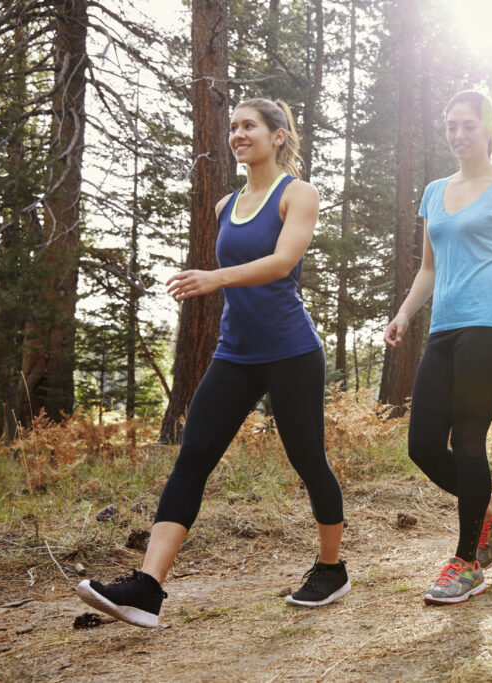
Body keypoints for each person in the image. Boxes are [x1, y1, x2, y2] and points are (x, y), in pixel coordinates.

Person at [76, 98, 348, 627]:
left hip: (292, 351)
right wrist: (214, 281)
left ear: (278, 136)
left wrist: (215, 278)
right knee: (192, 458)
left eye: (249, 126)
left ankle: (331, 568)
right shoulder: (226, 205)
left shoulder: (298, 194)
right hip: (235, 354)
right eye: (233, 127)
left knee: (307, 459)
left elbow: (283, 261)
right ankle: (148, 587)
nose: (238, 134)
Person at [383, 90, 492, 605]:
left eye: (467, 125)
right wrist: (404, 312)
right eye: (450, 125)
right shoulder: (435, 191)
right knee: (421, 445)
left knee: (468, 441)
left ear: (488, 128)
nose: (458, 134)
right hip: (445, 329)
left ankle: (466, 563)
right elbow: (429, 269)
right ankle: (489, 505)